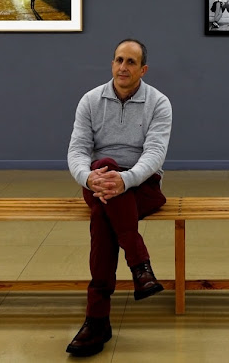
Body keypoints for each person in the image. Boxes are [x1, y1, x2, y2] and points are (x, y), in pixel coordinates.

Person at [66, 38, 173, 357]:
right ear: (112, 64)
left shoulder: (159, 102)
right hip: (98, 182)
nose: (122, 67)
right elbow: (77, 151)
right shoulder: (90, 100)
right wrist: (88, 177)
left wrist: (124, 180)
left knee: (104, 213)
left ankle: (96, 320)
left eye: (130, 62)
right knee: (103, 168)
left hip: (143, 184)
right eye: (118, 60)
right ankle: (141, 267)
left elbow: (155, 153)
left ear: (143, 69)